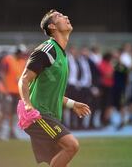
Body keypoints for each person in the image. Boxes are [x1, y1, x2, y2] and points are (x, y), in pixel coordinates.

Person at [18, 9, 91, 166]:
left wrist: (72, 104)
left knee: (60, 161)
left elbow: (51, 92)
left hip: (50, 114)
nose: (66, 16)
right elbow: (23, 80)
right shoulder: (46, 50)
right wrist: (27, 105)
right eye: (59, 16)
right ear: (52, 26)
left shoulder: (61, 54)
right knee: (72, 146)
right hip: (39, 115)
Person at [0, 46, 27, 139]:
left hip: (17, 91)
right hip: (8, 91)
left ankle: (11, 131)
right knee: (5, 112)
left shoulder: (22, 62)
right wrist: (6, 88)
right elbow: (3, 74)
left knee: (14, 113)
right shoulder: (8, 60)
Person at [98, 52, 115, 127]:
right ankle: (103, 120)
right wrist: (113, 74)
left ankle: (107, 118)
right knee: (104, 104)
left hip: (110, 86)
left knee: (108, 104)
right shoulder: (102, 64)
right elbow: (106, 75)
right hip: (104, 86)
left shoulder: (109, 64)